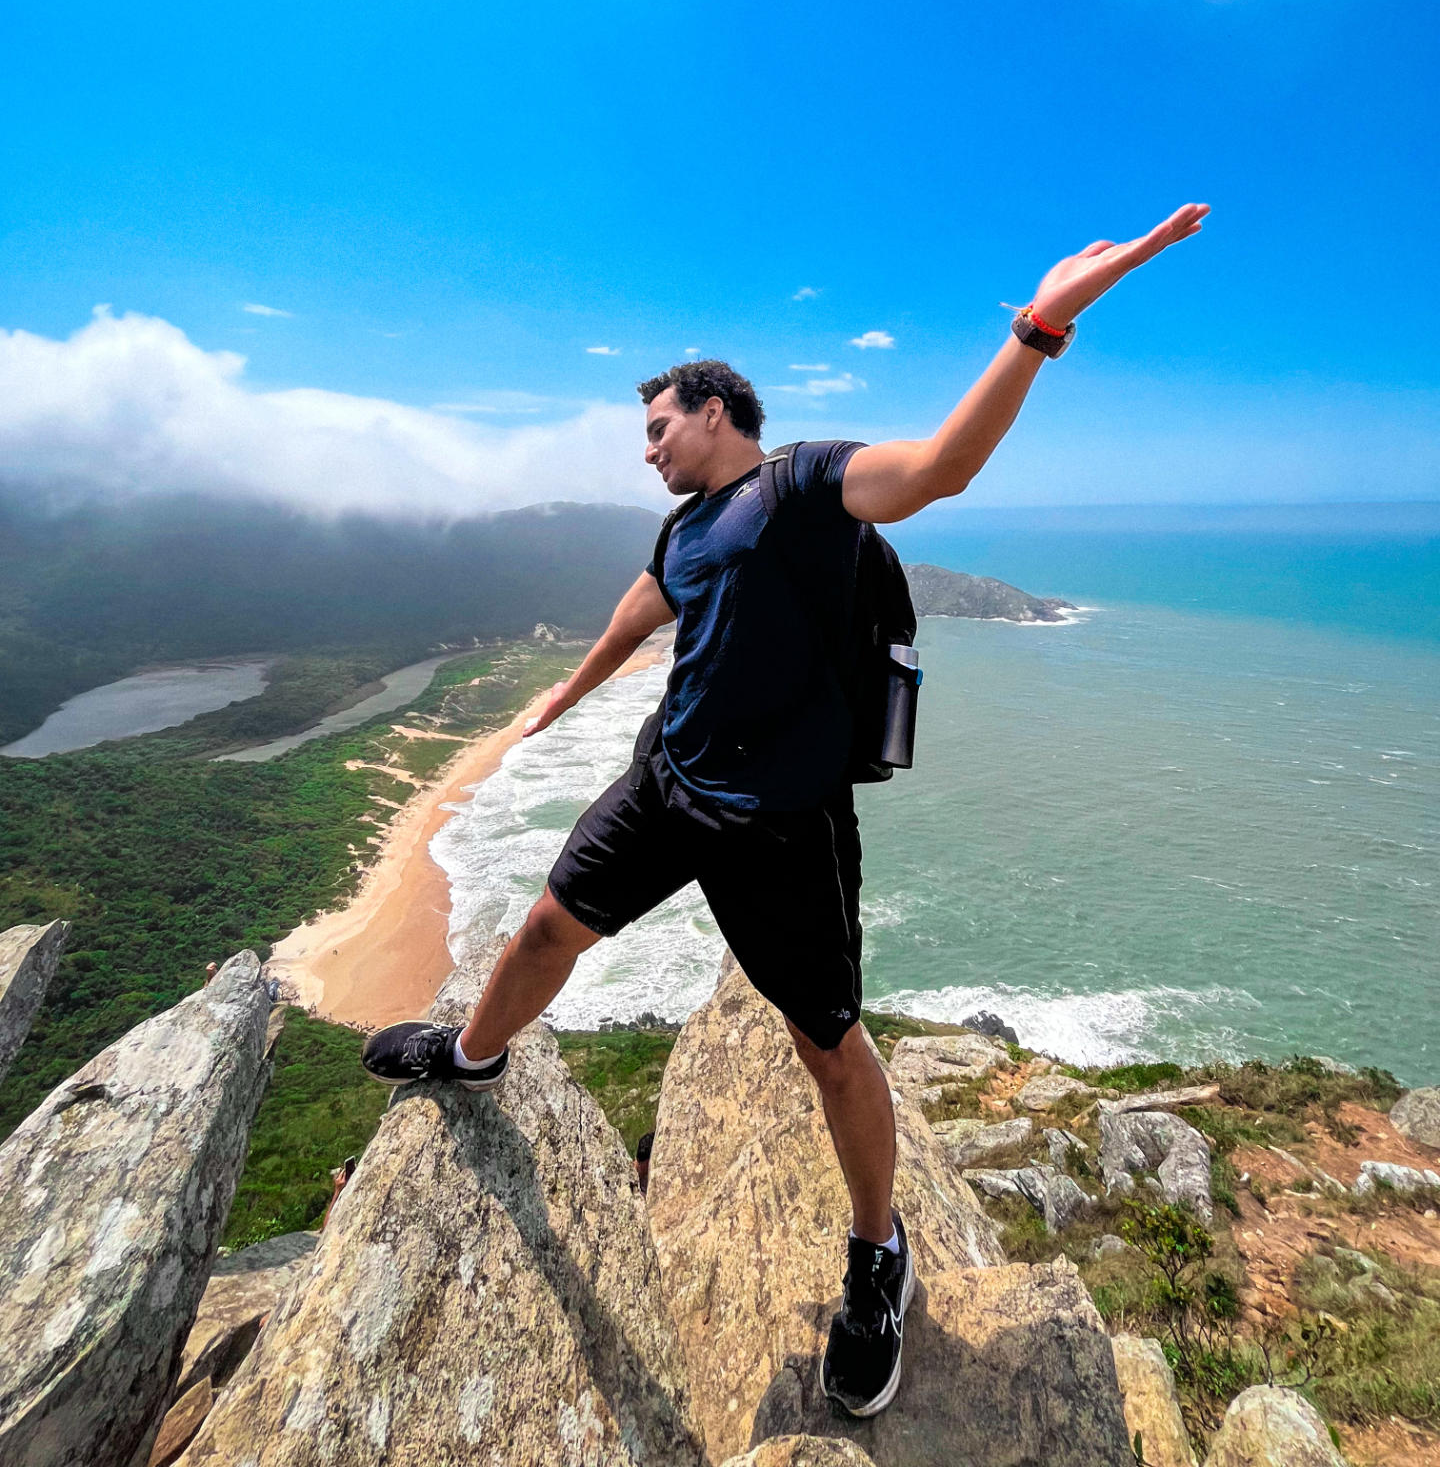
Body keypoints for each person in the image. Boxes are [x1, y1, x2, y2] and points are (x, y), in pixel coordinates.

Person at [361, 202, 1209, 1419]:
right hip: (666, 782)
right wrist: (569, 689)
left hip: (780, 825)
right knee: (548, 924)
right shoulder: (687, 523)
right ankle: (473, 1055)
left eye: (658, 428)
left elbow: (938, 470)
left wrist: (1037, 326)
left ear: (716, 412)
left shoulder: (806, 485)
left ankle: (879, 1257)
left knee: (829, 1049)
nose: (647, 449)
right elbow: (643, 607)